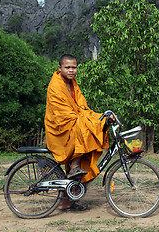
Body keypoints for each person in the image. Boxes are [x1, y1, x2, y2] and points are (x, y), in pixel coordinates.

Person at [44, 54, 111, 211]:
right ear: (59, 68)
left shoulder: (73, 84)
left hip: (72, 125)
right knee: (84, 126)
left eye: (74, 67)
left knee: (88, 126)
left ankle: (67, 200)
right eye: (67, 67)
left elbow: (83, 108)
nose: (71, 70)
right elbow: (62, 114)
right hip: (59, 128)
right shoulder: (55, 85)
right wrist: (90, 121)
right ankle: (74, 166)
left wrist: (100, 118)